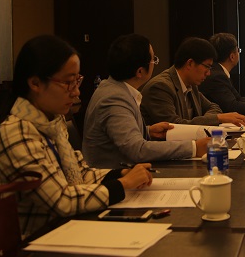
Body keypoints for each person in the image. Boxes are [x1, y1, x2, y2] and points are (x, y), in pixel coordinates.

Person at [0, 35, 153, 238]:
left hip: (64, 230)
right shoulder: (16, 132)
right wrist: (123, 184)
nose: (76, 93)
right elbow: (61, 200)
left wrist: (120, 174)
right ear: (35, 83)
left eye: (77, 81)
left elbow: (81, 173)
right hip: (34, 241)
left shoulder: (52, 123)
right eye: (68, 83)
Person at [82, 34, 210, 169]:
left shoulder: (115, 89)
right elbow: (137, 150)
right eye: (153, 60)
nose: (154, 63)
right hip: (114, 176)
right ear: (140, 71)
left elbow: (121, 137)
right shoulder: (114, 99)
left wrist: (148, 132)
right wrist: (193, 147)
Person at [141, 37, 245, 126]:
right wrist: (217, 118)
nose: (208, 73)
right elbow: (174, 126)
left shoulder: (191, 85)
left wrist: (206, 120)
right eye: (207, 67)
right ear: (190, 63)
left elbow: (214, 107)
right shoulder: (160, 87)